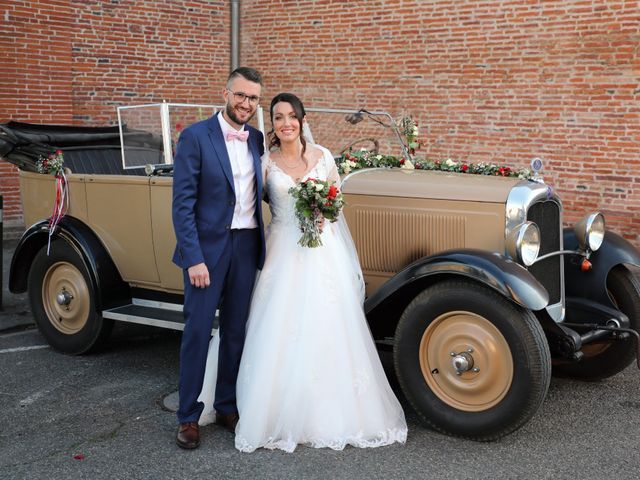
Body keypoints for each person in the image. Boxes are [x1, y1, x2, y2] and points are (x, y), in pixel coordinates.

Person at [199, 92, 407, 452]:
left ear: (302, 119)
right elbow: (242, 205)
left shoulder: (323, 157)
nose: (286, 123)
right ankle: (259, 406)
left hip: (323, 253)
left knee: (328, 325)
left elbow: (336, 203)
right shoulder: (264, 163)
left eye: (291, 116)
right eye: (278, 117)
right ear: (273, 125)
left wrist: (323, 212)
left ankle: (327, 410)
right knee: (275, 326)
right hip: (281, 250)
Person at [172, 67, 266, 449]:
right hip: (206, 251)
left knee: (235, 331)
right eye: (241, 95)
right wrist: (194, 258)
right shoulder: (195, 136)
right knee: (196, 331)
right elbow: (182, 204)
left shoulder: (257, 139)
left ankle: (227, 405)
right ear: (225, 93)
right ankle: (188, 416)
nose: (246, 103)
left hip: (246, 246)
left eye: (254, 98)